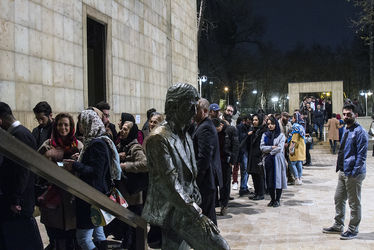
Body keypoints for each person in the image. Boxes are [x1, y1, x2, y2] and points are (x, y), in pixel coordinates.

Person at [142, 83, 229, 250]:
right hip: (176, 211)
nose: (193, 111)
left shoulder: (185, 134)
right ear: (174, 106)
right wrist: (196, 213)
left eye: (195, 107)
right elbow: (170, 183)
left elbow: (190, 174)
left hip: (187, 207)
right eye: (190, 106)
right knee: (220, 247)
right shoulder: (159, 139)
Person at [64, 109, 121, 250]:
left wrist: (75, 165)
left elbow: (96, 172)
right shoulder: (96, 141)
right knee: (99, 234)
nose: (80, 127)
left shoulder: (97, 144)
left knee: (83, 239)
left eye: (81, 123)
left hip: (91, 196)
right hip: (95, 195)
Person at [0, 102, 43, 250]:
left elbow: (22, 171)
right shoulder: (21, 133)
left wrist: (15, 199)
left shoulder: (19, 135)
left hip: (19, 203)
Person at [323, 103, 368, 240]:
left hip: (354, 173)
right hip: (343, 171)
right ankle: (338, 224)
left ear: (356, 115)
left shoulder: (360, 132)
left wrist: (354, 172)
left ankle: (353, 229)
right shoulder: (346, 130)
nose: (346, 116)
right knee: (339, 198)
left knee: (354, 203)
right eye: (344, 114)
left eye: (349, 114)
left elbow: (361, 156)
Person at [38, 113, 83, 250]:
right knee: (55, 237)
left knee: (71, 237)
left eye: (66, 125)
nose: (62, 128)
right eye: (59, 124)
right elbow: (38, 166)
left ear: (71, 127)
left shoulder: (78, 145)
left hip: (72, 198)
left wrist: (76, 162)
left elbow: (84, 169)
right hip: (52, 197)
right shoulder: (47, 145)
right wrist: (49, 157)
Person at [116, 113, 148, 249]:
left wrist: (125, 166)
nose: (122, 131)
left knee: (135, 227)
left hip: (134, 195)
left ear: (132, 132)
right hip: (126, 194)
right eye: (122, 128)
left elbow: (145, 164)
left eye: (125, 129)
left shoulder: (135, 147)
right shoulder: (123, 145)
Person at [192, 99, 222, 225]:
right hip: (206, 179)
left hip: (206, 180)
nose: (193, 113)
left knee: (207, 220)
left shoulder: (205, 128)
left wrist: (195, 179)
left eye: (196, 110)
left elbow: (204, 158)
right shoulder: (202, 125)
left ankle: (213, 244)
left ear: (204, 111)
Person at [213, 118, 239, 216]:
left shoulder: (231, 130)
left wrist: (232, 161)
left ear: (221, 125)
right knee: (215, 184)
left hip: (226, 162)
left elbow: (236, 146)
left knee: (225, 185)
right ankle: (215, 204)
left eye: (217, 129)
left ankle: (224, 205)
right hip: (216, 162)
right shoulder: (214, 131)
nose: (216, 131)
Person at [260, 115, 287, 207]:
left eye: (272, 124)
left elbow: (280, 148)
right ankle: (272, 199)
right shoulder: (265, 135)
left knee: (278, 179)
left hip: (277, 160)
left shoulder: (281, 135)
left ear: (276, 124)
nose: (270, 126)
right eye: (268, 124)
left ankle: (277, 200)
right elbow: (262, 147)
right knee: (269, 179)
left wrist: (270, 152)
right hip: (268, 160)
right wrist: (271, 147)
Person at [246, 114, 267, 200]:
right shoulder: (253, 130)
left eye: (256, 120)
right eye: (253, 120)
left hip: (259, 156)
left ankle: (261, 193)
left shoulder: (263, 130)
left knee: (259, 175)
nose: (254, 122)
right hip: (252, 155)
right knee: (254, 175)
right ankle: (256, 192)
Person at [288, 113, 306, 185]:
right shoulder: (301, 126)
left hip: (296, 148)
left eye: (293, 118)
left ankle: (296, 178)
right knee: (299, 164)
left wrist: (291, 148)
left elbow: (294, 139)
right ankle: (300, 177)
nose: (292, 119)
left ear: (295, 118)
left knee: (292, 163)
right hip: (301, 147)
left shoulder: (295, 127)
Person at [237, 116, 252, 196]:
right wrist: (247, 134)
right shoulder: (240, 127)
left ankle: (244, 186)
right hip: (243, 151)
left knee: (247, 170)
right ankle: (243, 188)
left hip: (248, 150)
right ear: (244, 121)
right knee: (244, 169)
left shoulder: (250, 127)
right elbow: (239, 138)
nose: (250, 123)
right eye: (248, 121)